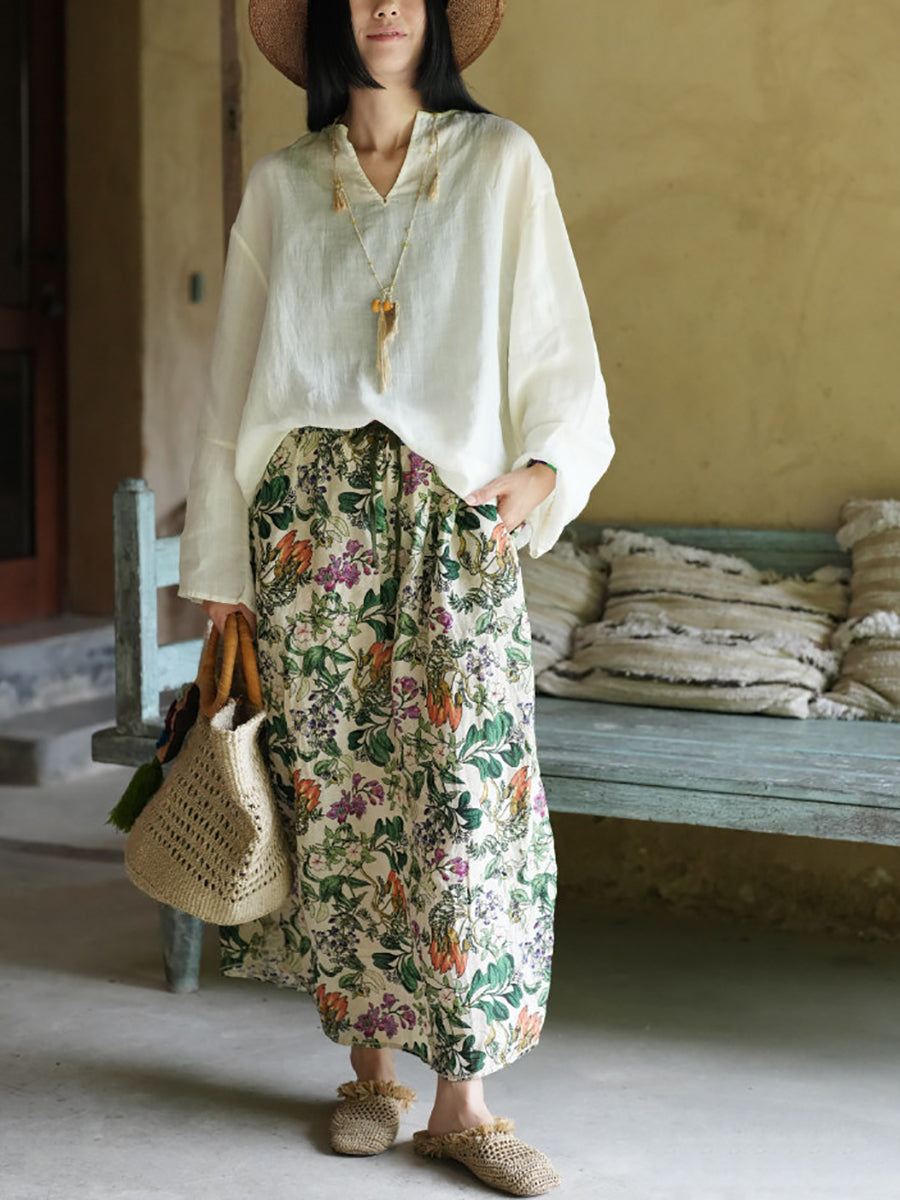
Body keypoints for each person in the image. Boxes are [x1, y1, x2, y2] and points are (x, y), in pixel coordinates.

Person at [178, 0, 614, 1193]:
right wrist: (222, 568)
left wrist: (547, 469)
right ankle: (370, 1075)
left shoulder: (500, 162)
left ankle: (464, 1102)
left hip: (450, 521)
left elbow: (559, 347)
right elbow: (232, 384)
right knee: (340, 802)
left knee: (467, 800)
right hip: (308, 530)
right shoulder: (284, 184)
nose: (382, 7)